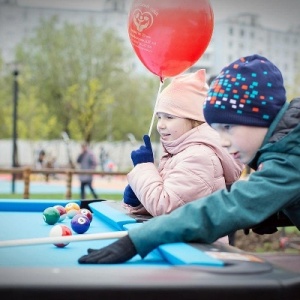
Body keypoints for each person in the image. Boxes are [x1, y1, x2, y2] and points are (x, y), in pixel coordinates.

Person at [78, 54, 300, 264]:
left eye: (228, 127)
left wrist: (139, 239)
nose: (222, 141)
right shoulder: (286, 149)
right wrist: (277, 213)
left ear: (260, 118)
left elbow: (226, 206)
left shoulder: (289, 156)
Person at [123, 69, 243, 223]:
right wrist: (139, 199)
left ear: (194, 120)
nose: (160, 125)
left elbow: (164, 207)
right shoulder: (179, 152)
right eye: (159, 117)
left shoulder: (200, 157)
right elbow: (179, 202)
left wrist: (143, 168)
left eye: (169, 117)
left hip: (196, 246)